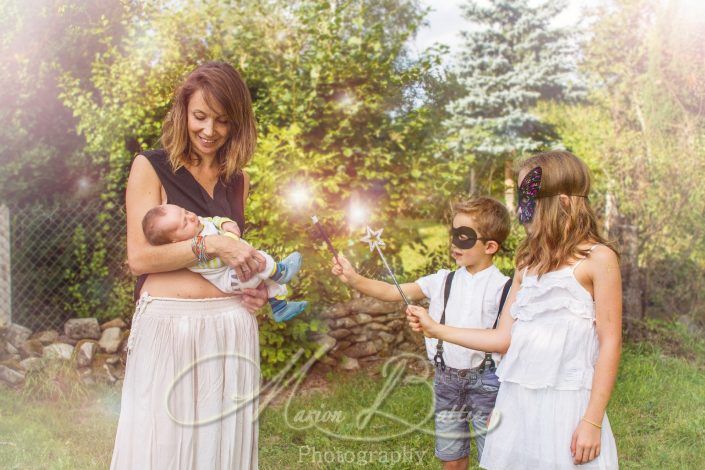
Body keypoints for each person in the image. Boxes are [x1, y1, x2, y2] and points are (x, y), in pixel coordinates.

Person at [407, 151, 621, 469]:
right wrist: (437, 329)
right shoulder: (527, 263)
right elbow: (503, 338)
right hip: (518, 403)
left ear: (562, 202)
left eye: (530, 198)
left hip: (568, 406)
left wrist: (591, 422)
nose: (523, 210)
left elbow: (610, 343)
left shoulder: (598, 259)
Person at [110, 61, 270, 469]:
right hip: (169, 330)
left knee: (221, 450)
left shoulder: (238, 180)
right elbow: (140, 258)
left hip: (231, 329)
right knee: (162, 447)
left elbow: (238, 256)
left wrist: (254, 288)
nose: (209, 130)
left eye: (222, 121)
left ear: (237, 124)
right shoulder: (150, 166)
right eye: (200, 116)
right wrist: (212, 244)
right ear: (183, 112)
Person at [332, 197, 512, 469]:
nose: (454, 243)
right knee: (451, 458)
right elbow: (393, 292)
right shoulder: (441, 281)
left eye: (464, 237)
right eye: (453, 234)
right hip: (447, 382)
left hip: (488, 385)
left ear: (490, 246)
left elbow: (505, 340)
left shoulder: (505, 288)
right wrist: (355, 279)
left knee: (495, 458)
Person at [141, 203, 307, 322]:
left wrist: (224, 222)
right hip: (234, 279)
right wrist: (229, 239)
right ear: (176, 243)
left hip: (240, 271)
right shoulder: (195, 257)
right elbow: (220, 258)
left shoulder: (197, 224)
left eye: (186, 212)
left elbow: (212, 220)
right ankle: (281, 271)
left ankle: (280, 307)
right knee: (259, 261)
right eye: (185, 223)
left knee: (269, 281)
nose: (191, 217)